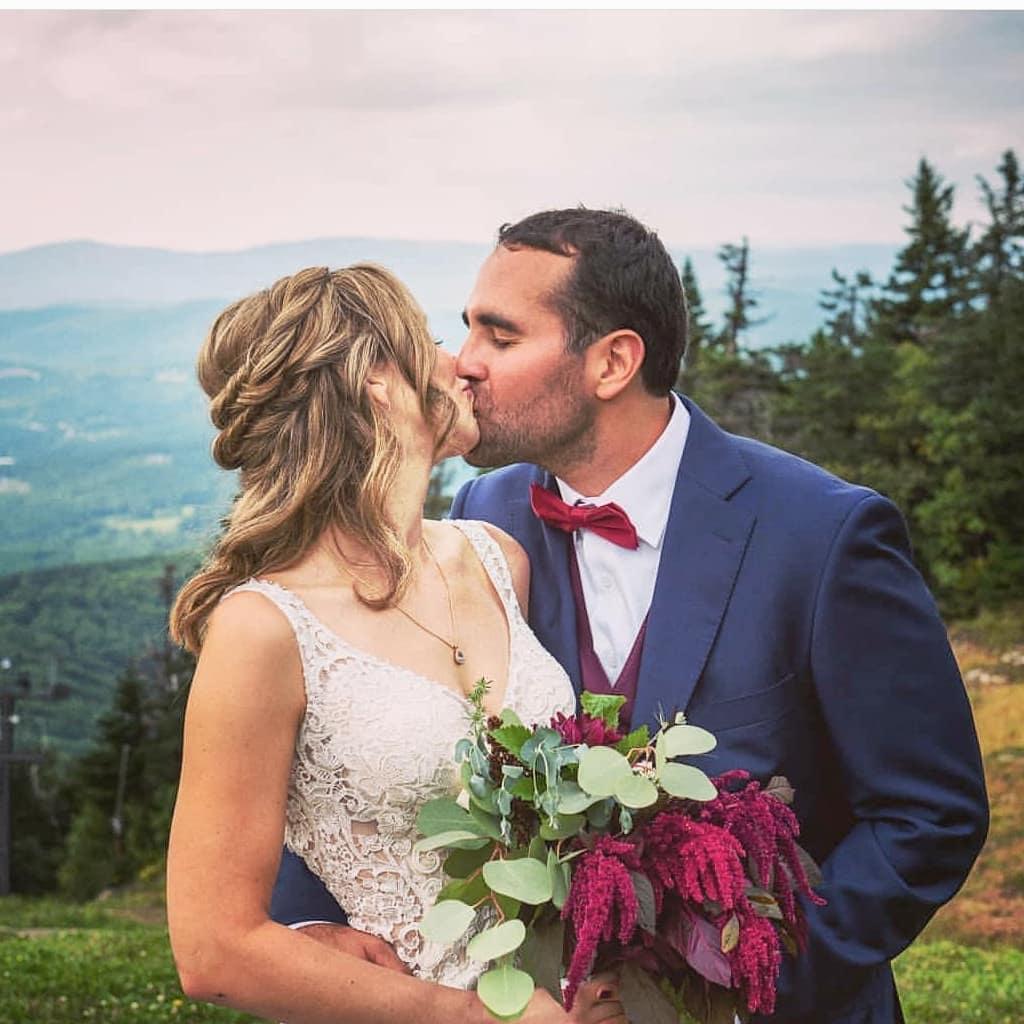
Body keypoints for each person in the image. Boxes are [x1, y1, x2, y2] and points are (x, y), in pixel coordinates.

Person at [271, 211, 990, 1023]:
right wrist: (311, 919)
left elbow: (930, 815)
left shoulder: (824, 536)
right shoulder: (483, 517)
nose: (463, 363)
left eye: (501, 337)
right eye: (466, 328)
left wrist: (738, 983)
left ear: (612, 362)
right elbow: (370, 717)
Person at [165, 264, 626, 1024]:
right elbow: (215, 949)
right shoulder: (264, 628)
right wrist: (476, 1017)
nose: (461, 363)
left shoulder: (497, 559)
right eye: (435, 341)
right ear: (377, 381)